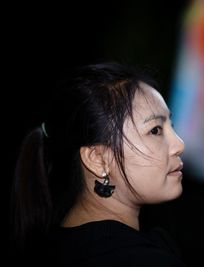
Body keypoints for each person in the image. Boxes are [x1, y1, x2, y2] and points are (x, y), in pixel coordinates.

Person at [9, 62, 186, 266]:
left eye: (170, 125)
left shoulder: (53, 248)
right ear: (98, 159)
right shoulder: (142, 259)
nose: (179, 145)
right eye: (155, 130)